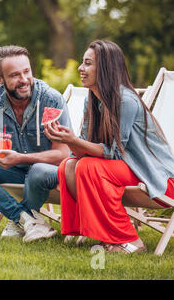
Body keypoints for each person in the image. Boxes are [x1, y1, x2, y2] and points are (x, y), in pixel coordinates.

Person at [45, 40, 174, 254]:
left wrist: (74, 141)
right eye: (82, 63)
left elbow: (114, 153)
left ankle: (130, 240)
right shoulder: (93, 102)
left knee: (88, 167)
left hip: (159, 179)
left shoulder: (126, 100)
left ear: (105, 68)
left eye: (87, 63)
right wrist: (68, 140)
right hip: (128, 171)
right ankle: (103, 234)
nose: (80, 68)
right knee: (67, 166)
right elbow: (81, 150)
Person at [0, 45, 71, 242]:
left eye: (26, 71)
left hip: (50, 174)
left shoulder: (50, 99)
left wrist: (21, 158)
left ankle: (21, 220)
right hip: (18, 172)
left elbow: (63, 154)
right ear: (0, 79)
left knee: (37, 170)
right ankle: (24, 218)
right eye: (15, 75)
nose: (24, 80)